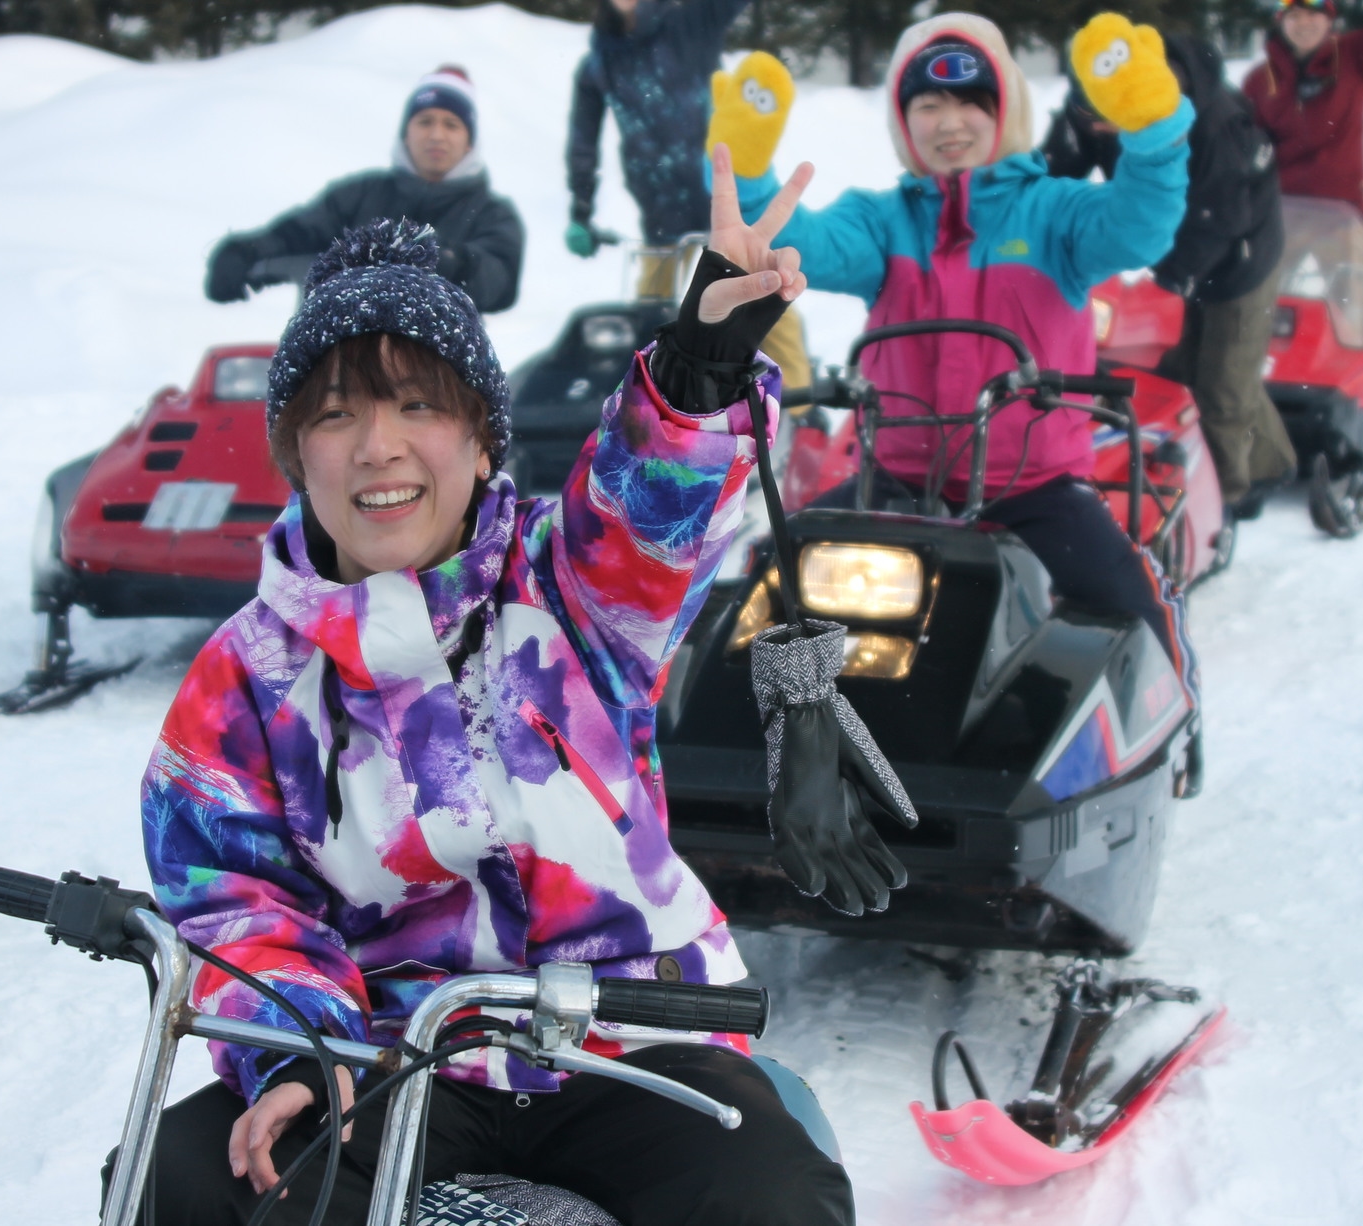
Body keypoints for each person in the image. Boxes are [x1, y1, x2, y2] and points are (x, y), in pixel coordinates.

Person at [127, 185, 855, 1221]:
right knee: (195, 1174)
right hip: (390, 1052)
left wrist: (696, 370)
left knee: (772, 1192)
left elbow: (650, 504)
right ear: (296, 455)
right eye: (337, 413)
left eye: (419, 405)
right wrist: (304, 1044)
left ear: (480, 443)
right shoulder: (244, 677)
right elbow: (237, 901)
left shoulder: (574, 587)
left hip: (622, 1039)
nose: (379, 446)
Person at [720, 11, 1199, 692]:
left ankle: (1175, 713)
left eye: (971, 102)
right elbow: (801, 244)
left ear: (1003, 110)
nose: (950, 122)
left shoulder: (1057, 213)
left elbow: (1138, 229)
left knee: (1124, 596)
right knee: (774, 567)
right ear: (902, 120)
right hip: (894, 478)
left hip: (1033, 488)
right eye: (929, 103)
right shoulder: (881, 220)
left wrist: (1152, 136)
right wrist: (749, 175)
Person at [1046, 35, 1296, 516]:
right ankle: (1272, 462)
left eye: (1107, 120)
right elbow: (1055, 172)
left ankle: (1224, 500)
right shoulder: (1091, 104)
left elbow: (1220, 218)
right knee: (1191, 368)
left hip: (1241, 258)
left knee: (1222, 385)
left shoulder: (1216, 125)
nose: (1100, 128)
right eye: (1089, 116)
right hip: (1190, 243)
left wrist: (1175, 276)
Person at [566, 0, 811, 388]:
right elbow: (584, 140)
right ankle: (650, 419)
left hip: (723, 203)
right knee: (649, 329)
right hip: (660, 213)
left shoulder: (689, 20)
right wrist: (580, 208)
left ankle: (801, 412)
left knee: (766, 299)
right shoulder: (601, 61)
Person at [205, 66, 524, 313]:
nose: (436, 135)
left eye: (451, 124)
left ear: (470, 141)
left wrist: (452, 260)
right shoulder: (359, 194)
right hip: (338, 360)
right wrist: (244, 253)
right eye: (425, 121)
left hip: (441, 372)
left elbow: (499, 283)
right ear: (406, 133)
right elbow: (298, 235)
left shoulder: (492, 213)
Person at [1243, 0, 1363, 217]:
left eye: (1313, 14)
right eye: (1294, 16)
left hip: (1342, 211)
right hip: (1284, 210)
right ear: (1281, 22)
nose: (1303, 23)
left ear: (1329, 19)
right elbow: (1247, 148)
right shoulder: (1259, 80)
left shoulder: (1356, 55)